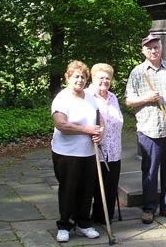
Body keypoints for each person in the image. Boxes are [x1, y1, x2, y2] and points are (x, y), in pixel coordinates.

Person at [125, 33, 166, 224]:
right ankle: (149, 209)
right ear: (143, 51)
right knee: (150, 171)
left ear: (161, 48)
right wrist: (147, 98)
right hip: (148, 130)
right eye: (149, 48)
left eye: (156, 47)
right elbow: (128, 100)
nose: (153, 51)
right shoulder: (137, 72)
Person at [51, 60, 103, 243]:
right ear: (68, 77)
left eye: (83, 76)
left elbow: (99, 119)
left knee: (86, 190)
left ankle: (83, 224)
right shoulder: (62, 98)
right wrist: (87, 130)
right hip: (66, 153)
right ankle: (64, 225)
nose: (80, 80)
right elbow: (61, 124)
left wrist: (99, 132)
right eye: (76, 76)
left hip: (88, 152)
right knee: (68, 189)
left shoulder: (90, 97)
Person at [87, 63, 123, 225]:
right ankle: (83, 219)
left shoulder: (113, 97)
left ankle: (103, 218)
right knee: (89, 187)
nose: (105, 81)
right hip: (92, 151)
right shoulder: (86, 96)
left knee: (110, 186)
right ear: (93, 78)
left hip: (113, 150)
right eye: (101, 77)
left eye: (108, 78)